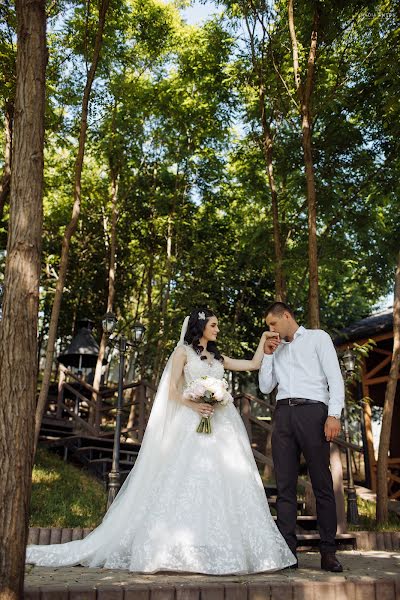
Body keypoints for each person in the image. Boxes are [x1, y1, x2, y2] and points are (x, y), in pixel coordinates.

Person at [27, 308, 296, 574]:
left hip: (223, 428)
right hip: (192, 424)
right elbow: (172, 390)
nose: (217, 329)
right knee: (187, 482)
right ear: (200, 326)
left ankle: (220, 549)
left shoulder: (218, 357)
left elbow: (252, 364)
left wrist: (263, 342)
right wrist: (195, 405)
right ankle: (175, 549)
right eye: (213, 325)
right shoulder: (183, 353)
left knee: (224, 483)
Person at [259, 301, 344, 572]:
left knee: (321, 482)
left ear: (286, 316)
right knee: (284, 485)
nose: (271, 330)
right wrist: (268, 354)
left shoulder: (318, 338)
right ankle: (288, 554)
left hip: (313, 412)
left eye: (273, 324)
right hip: (283, 414)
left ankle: (328, 552)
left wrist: (334, 415)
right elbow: (264, 387)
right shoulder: (276, 348)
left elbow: (335, 377)